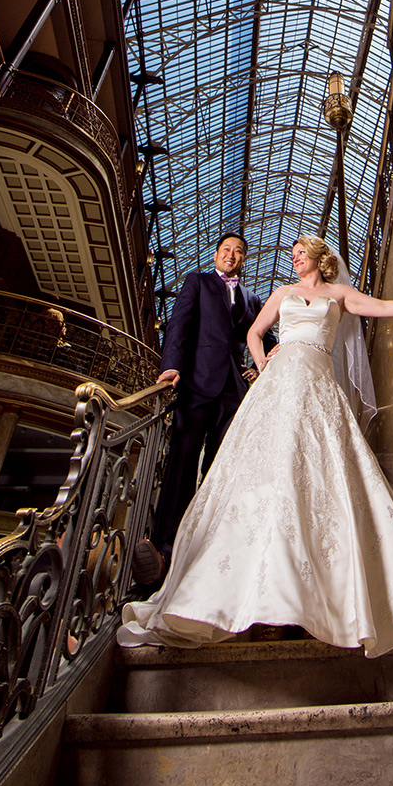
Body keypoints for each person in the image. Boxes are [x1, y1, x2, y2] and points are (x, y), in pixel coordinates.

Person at [119, 234, 393, 661]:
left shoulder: (338, 294)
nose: (294, 259)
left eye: (300, 254)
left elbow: (376, 305)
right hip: (277, 387)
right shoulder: (279, 293)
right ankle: (244, 593)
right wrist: (262, 365)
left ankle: (311, 600)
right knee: (264, 476)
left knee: (319, 478)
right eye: (293, 255)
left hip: (318, 390)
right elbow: (256, 334)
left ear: (319, 258)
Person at [134, 231, 262, 586]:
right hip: (195, 384)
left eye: (238, 252)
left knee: (221, 468)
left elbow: (268, 338)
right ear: (217, 254)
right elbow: (179, 325)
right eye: (226, 250)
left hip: (232, 393)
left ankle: (209, 548)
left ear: (243, 260)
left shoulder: (253, 300)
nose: (231, 256)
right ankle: (165, 549)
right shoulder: (198, 282)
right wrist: (171, 365)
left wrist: (258, 365)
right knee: (182, 462)